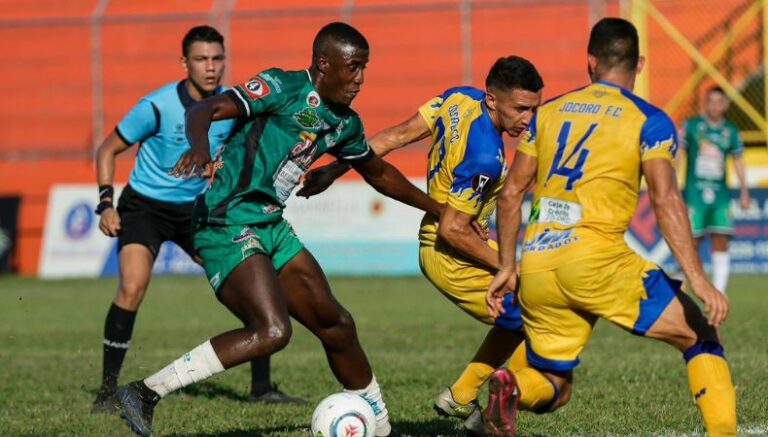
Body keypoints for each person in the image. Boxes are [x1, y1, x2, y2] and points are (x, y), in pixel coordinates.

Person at [115, 22, 443, 437]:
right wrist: (200, 147)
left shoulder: (344, 122)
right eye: (353, 67)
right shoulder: (281, 87)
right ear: (324, 63)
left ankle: (381, 429)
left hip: (270, 224)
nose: (360, 78)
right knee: (272, 331)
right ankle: (144, 392)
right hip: (226, 221)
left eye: (364, 68)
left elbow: (378, 173)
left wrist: (438, 210)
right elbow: (203, 110)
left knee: (337, 324)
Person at [485, 17, 735, 437]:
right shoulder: (649, 119)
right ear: (639, 65)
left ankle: (513, 386)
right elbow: (665, 199)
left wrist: (507, 267)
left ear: (590, 62)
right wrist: (698, 278)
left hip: (539, 264)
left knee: (554, 383)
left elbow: (510, 194)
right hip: (597, 261)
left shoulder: (548, 114)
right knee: (701, 336)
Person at [298, 56, 545, 436]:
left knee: (521, 313)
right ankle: (496, 404)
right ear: (493, 100)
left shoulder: (458, 99)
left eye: (534, 108)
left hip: (446, 246)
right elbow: (453, 229)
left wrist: (335, 169)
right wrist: (506, 266)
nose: (528, 119)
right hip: (453, 255)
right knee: (540, 315)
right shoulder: (486, 157)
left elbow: (395, 136)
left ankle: (463, 396)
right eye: (521, 109)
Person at [92, 25, 303, 413]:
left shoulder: (232, 105)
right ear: (184, 63)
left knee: (252, 286)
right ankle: (106, 393)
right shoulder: (156, 106)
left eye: (217, 58)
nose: (210, 67)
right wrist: (106, 203)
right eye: (201, 59)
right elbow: (108, 149)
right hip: (145, 208)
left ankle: (261, 388)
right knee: (132, 288)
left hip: (199, 211)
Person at [679, 86, 750, 293]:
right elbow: (679, 154)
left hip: (720, 197)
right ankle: (684, 285)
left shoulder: (731, 130)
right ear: (705, 103)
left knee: (721, 239)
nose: (715, 106)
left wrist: (744, 192)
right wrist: (672, 182)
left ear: (725, 105)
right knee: (691, 242)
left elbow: (738, 160)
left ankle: (719, 292)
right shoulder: (692, 126)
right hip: (695, 195)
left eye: (719, 102)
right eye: (711, 101)